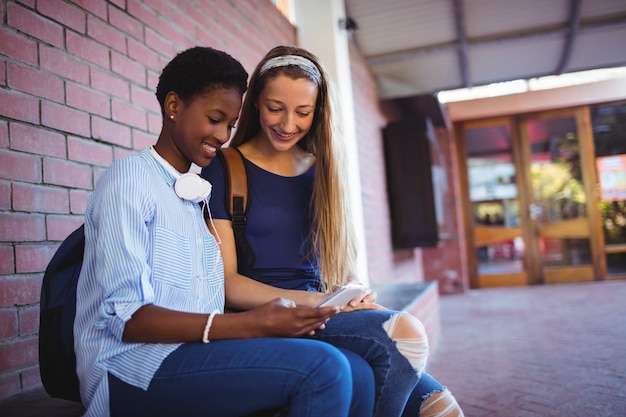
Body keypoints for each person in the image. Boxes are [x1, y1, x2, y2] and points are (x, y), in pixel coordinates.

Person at [73, 46, 376, 417]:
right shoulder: (130, 179)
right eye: (214, 119)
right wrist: (250, 324)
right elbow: (127, 319)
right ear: (173, 105)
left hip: (197, 352)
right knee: (324, 369)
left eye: (231, 125)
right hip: (129, 367)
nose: (223, 135)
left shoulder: (196, 193)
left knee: (358, 373)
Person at [201, 45, 464, 417]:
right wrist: (322, 304)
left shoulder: (321, 171)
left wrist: (354, 294)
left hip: (325, 314)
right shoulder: (225, 169)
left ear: (318, 112)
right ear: (256, 100)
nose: (287, 124)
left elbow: (337, 264)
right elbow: (226, 284)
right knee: (406, 334)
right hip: (269, 318)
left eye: (303, 112)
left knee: (442, 409)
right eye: (275, 108)